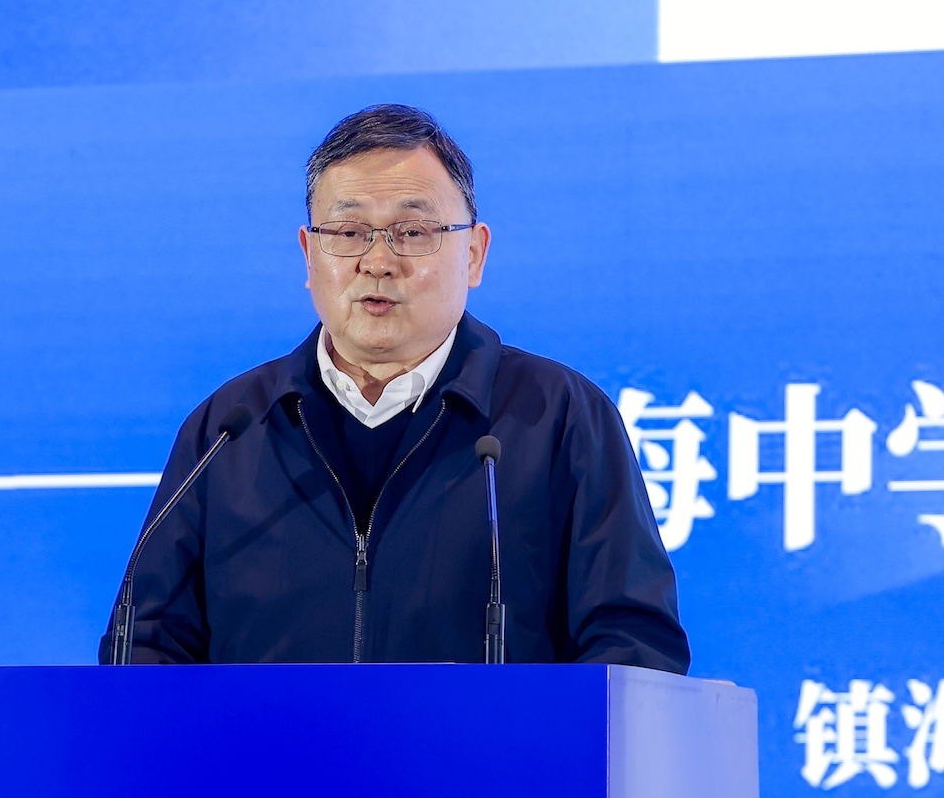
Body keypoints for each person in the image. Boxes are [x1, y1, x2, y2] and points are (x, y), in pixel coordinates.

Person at [100, 103, 690, 671]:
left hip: (486, 748)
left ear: (474, 253)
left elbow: (633, 644)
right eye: (348, 231)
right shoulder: (228, 429)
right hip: (268, 749)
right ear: (309, 254)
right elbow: (146, 643)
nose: (378, 261)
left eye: (411, 231)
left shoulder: (558, 416)